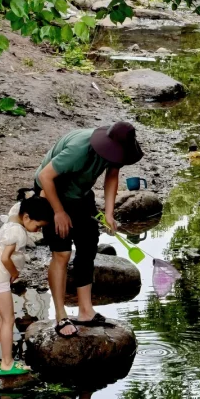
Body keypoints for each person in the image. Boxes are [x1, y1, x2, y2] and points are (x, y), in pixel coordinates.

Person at [36, 121, 142, 337]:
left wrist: (109, 213)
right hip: (52, 193)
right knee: (62, 253)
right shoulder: (78, 150)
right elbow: (44, 177)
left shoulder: (116, 151)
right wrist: (58, 212)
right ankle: (60, 315)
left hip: (81, 196)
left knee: (88, 247)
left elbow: (112, 176)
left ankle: (86, 310)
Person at [0, 189, 53, 376]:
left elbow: (21, 206)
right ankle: (7, 363)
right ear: (27, 217)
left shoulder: (15, 216)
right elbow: (6, 258)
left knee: (2, 318)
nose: (38, 231)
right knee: (9, 319)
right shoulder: (17, 232)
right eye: (38, 226)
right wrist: (14, 274)